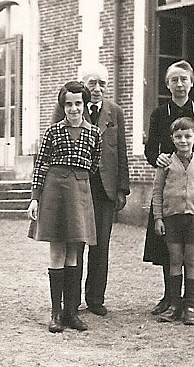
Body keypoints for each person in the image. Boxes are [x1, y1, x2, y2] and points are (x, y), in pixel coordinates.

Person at [51, 63, 130, 316]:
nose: (97, 89)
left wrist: (122, 189)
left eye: (102, 84)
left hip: (104, 189)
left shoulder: (115, 112)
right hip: (75, 187)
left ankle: (95, 299)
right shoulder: (70, 108)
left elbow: (121, 152)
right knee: (74, 243)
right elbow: (51, 145)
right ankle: (69, 302)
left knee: (100, 246)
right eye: (91, 83)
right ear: (83, 85)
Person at [143, 60, 194, 316]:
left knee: (193, 251)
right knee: (169, 247)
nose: (179, 84)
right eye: (174, 80)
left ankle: (190, 299)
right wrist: (158, 159)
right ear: (167, 84)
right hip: (170, 189)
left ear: (191, 83)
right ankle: (169, 296)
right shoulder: (158, 113)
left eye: (183, 79)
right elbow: (151, 148)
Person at [27, 81, 102, 333]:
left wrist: (77, 181)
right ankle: (56, 314)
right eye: (68, 104)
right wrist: (35, 197)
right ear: (63, 106)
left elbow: (94, 164)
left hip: (80, 192)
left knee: (74, 253)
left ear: (84, 105)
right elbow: (40, 166)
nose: (73, 109)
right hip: (55, 192)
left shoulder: (94, 133)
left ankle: (71, 312)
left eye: (78, 103)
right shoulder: (52, 132)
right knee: (57, 251)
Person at [152, 116, 194, 325]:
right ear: (172, 139)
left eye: (188, 136)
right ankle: (175, 304)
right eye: (178, 137)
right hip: (172, 218)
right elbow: (157, 192)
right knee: (175, 259)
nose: (183, 141)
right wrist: (158, 218)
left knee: (192, 259)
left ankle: (190, 304)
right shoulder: (166, 163)